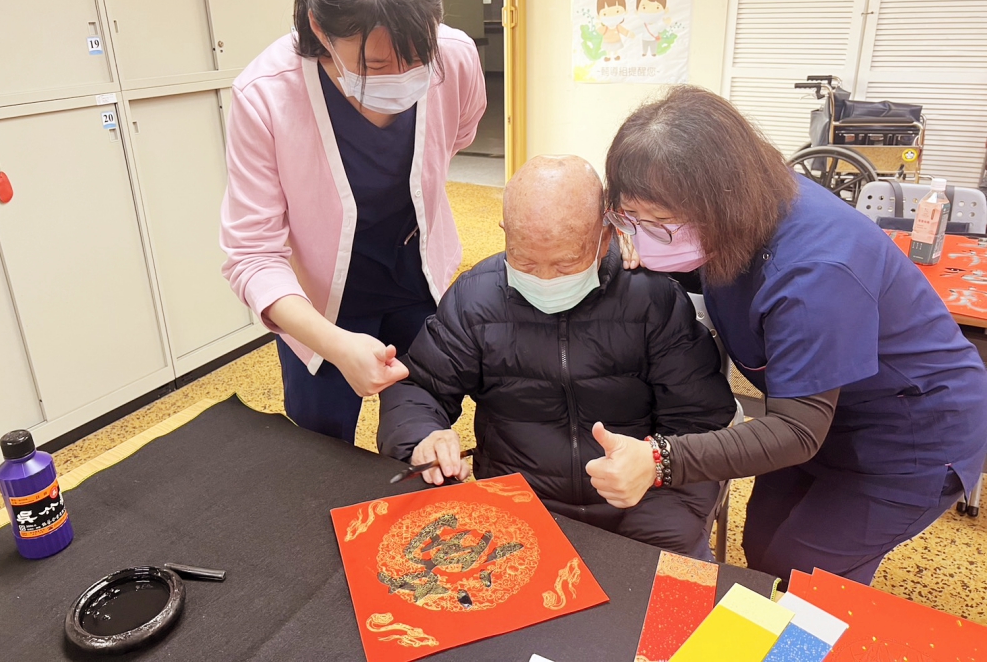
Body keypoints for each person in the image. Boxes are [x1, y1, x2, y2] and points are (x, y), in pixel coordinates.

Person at [599, 85, 987, 584]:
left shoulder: (816, 271)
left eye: (660, 223)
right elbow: (723, 273)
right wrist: (642, 244)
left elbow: (798, 430)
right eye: (631, 218)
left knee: (802, 571)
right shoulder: (753, 201)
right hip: (817, 410)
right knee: (763, 543)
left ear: (721, 204)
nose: (643, 234)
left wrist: (659, 459)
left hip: (910, 432)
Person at [378, 156, 735, 559]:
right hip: (516, 505)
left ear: (605, 237)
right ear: (505, 234)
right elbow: (417, 385)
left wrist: (654, 494)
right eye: (524, 261)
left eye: (566, 264)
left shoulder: (652, 299)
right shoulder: (474, 299)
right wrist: (423, 436)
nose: (544, 280)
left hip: (644, 503)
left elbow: (698, 421)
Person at [220, 0, 487, 443]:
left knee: (424, 428)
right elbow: (251, 255)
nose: (405, 76)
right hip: (319, 306)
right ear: (321, 30)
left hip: (418, 280)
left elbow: (458, 134)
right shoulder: (266, 94)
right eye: (379, 64)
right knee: (321, 445)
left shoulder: (455, 57)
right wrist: (336, 344)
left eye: (418, 57)